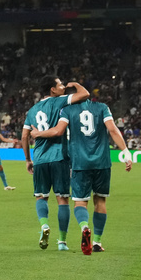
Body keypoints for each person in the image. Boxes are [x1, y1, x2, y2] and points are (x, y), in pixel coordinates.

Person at [31, 95, 132, 254]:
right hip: (102, 162)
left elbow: (58, 131)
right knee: (100, 200)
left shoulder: (67, 110)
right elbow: (112, 129)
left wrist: (38, 134)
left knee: (80, 203)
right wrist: (125, 151)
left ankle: (84, 227)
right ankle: (97, 242)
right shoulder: (102, 107)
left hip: (80, 163)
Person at [21, 77, 89, 251]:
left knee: (41, 196)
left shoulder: (32, 110)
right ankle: (62, 242)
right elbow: (85, 94)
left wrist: (28, 159)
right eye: (60, 85)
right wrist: (75, 85)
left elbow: (24, 136)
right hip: (60, 157)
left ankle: (44, 226)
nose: (64, 87)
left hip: (40, 159)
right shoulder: (61, 101)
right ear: (52, 89)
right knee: (63, 200)